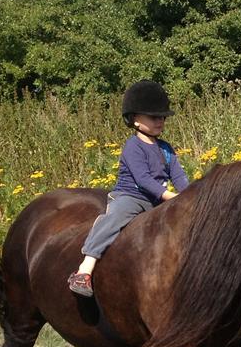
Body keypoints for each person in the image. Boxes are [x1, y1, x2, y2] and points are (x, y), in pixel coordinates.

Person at [67, 80, 189, 297]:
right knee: (115, 218)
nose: (160, 121)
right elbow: (143, 179)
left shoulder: (166, 149)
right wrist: (170, 196)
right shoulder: (133, 146)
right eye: (153, 117)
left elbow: (178, 175)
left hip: (156, 200)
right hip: (131, 197)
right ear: (135, 119)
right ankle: (85, 269)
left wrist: (189, 195)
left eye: (162, 117)